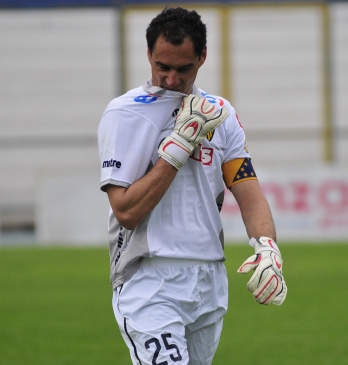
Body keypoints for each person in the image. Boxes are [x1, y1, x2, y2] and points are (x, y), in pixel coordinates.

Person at [97, 7, 287, 365]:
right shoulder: (124, 113)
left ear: (202, 57)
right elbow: (125, 211)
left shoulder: (220, 113)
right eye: (162, 67)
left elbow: (249, 192)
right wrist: (178, 148)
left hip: (208, 279)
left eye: (183, 69)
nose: (170, 79)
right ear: (148, 55)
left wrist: (268, 249)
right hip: (149, 278)